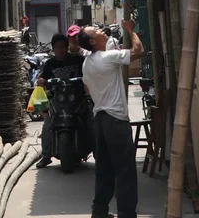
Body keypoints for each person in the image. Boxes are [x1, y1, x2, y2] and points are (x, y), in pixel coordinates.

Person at [79, 20, 144, 218]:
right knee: (125, 171)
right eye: (96, 31)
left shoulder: (87, 63)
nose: (101, 31)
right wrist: (131, 30)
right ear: (92, 41)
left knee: (104, 170)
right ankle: (126, 213)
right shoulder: (106, 58)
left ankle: (99, 211)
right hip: (116, 120)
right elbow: (138, 51)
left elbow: (87, 88)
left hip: (100, 119)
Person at [36, 33, 84, 169]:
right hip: (58, 100)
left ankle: (98, 152)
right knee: (47, 124)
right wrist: (41, 81)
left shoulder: (78, 60)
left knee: (91, 119)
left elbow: (88, 73)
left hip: (77, 100)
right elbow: (42, 79)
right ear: (53, 48)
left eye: (63, 47)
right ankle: (46, 155)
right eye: (57, 47)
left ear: (67, 47)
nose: (60, 50)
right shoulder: (50, 64)